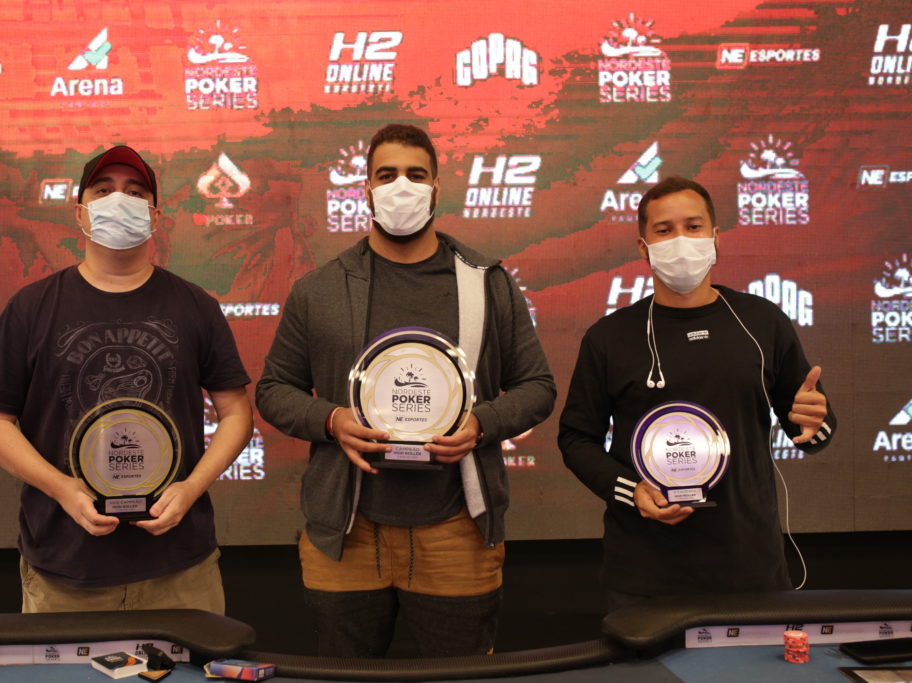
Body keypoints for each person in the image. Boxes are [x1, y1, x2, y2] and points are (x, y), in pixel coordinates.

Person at [256, 124, 555, 657]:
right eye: (386, 174)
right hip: (346, 532)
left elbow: (537, 386)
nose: (402, 187)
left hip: (457, 531)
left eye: (416, 175)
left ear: (436, 188)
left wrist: (481, 424)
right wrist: (332, 421)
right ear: (366, 189)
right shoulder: (319, 289)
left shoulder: (487, 282)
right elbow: (275, 389)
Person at [0, 145, 253, 614]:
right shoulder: (32, 307)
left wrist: (191, 487)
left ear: (155, 215)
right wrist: (62, 488)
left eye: (135, 192)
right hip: (66, 569)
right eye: (103, 190)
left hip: (180, 568)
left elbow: (236, 413)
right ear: (80, 211)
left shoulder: (196, 306)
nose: (120, 199)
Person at [558, 176, 836, 612]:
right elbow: (576, 438)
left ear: (715, 237)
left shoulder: (761, 321)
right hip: (645, 572)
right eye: (664, 230)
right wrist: (631, 490)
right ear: (643, 247)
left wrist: (815, 422)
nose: (681, 241)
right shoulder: (609, 337)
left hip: (750, 565)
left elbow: (812, 432)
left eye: (693, 226)